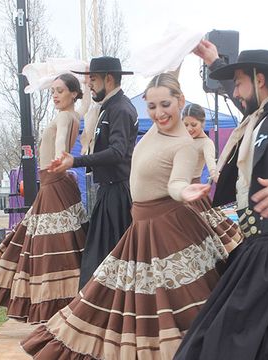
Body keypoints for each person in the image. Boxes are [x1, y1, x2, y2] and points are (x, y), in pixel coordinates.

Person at [21, 73, 231, 359]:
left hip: (166, 229)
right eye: (152, 106)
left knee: (174, 306)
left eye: (166, 104)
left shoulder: (183, 143)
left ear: (180, 101)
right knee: (129, 298)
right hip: (141, 226)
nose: (159, 113)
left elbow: (176, 182)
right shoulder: (156, 131)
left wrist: (184, 191)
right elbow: (166, 77)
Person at [174, 40, 268, 360]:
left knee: (225, 337)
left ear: (259, 79)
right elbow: (238, 93)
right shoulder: (256, 114)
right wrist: (215, 61)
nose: (237, 91)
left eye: (241, 81)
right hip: (257, 245)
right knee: (262, 340)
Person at [0, 73, 89, 323]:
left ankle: (54, 306)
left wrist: (60, 156)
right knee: (51, 243)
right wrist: (87, 86)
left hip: (54, 182)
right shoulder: (74, 114)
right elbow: (85, 108)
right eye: (53, 92)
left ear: (73, 92)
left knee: (48, 247)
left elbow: (61, 139)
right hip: (56, 182)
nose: (55, 95)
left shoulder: (64, 116)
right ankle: (62, 304)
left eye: (60, 90)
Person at [50, 56, 138, 289]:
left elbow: (117, 152)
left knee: (106, 260)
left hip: (118, 194)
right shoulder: (110, 107)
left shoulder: (120, 109)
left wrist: (75, 161)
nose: (89, 84)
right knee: (100, 260)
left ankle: (99, 315)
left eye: (93, 79)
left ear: (108, 79)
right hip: (109, 192)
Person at [182, 103, 243, 250]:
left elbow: (212, 168)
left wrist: (224, 182)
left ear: (202, 122)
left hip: (193, 195)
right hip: (175, 191)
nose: (189, 129)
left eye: (193, 124)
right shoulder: (181, 139)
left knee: (199, 237)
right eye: (186, 124)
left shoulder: (206, 143)